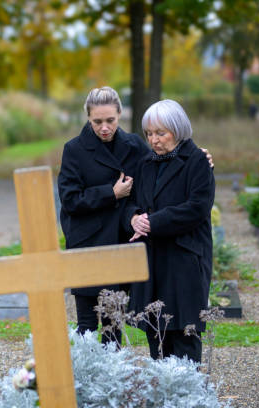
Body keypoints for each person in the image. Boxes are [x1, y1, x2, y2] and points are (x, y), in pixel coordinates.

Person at [57, 86, 151, 343]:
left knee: (113, 323)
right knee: (87, 323)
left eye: (110, 120)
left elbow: (161, 169)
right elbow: (70, 200)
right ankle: (84, 380)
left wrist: (200, 158)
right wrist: (111, 193)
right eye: (97, 122)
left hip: (119, 241)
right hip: (86, 242)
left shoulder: (134, 146)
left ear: (120, 114)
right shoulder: (74, 150)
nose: (104, 127)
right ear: (88, 118)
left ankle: (113, 381)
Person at [124, 99, 215, 363]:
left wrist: (154, 221)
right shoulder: (145, 163)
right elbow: (131, 202)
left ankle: (189, 399)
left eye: (160, 133)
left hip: (184, 260)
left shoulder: (197, 161)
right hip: (153, 261)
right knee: (158, 337)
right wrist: (133, 218)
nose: (154, 140)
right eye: (149, 134)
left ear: (178, 129)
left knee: (184, 335)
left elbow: (197, 208)